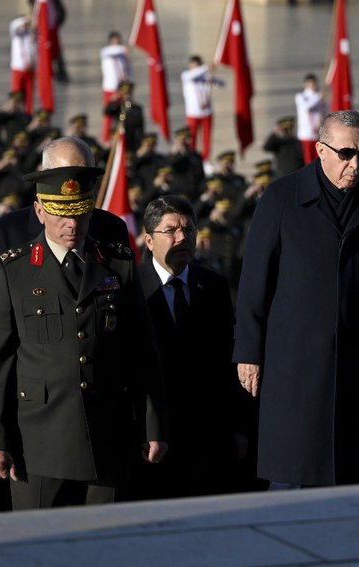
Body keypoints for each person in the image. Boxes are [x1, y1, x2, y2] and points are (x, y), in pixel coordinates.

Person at [0, 163, 168, 509]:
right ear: (39, 210)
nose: (72, 224)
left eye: (80, 213)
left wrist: (152, 426)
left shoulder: (117, 262)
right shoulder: (13, 270)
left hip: (107, 433)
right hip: (37, 441)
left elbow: (142, 349)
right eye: (61, 214)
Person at [234, 110, 359, 488]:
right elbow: (254, 280)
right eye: (347, 153)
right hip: (292, 362)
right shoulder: (282, 197)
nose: (356, 164)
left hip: (353, 359)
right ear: (320, 150)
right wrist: (248, 351)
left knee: (347, 470)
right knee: (293, 470)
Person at [0, 137, 134, 360]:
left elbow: (131, 323)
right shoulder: (8, 233)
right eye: (65, 174)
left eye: (83, 175)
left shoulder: (111, 229)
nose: (73, 182)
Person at [128, 196, 244, 498]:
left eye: (189, 230)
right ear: (148, 239)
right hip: (152, 438)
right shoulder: (129, 288)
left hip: (206, 435)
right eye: (171, 231)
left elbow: (226, 360)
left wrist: (237, 427)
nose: (182, 238)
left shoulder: (214, 286)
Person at [181, 55, 220, 162]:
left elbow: (221, 83)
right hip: (193, 113)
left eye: (198, 65)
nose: (196, 68)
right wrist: (207, 67)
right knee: (192, 138)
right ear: (190, 65)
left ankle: (205, 160)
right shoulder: (186, 75)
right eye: (194, 66)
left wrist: (213, 79)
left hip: (207, 112)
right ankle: (192, 159)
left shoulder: (206, 76)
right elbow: (194, 74)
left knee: (207, 138)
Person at [100, 32, 132, 145]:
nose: (117, 43)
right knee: (109, 114)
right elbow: (114, 50)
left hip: (121, 88)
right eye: (115, 41)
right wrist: (125, 48)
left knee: (123, 112)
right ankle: (106, 138)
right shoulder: (106, 52)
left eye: (118, 40)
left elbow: (126, 69)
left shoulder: (122, 55)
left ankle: (120, 135)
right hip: (110, 88)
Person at [8, 4, 36, 114]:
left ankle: (28, 113)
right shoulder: (16, 34)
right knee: (17, 93)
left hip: (30, 68)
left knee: (29, 95)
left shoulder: (31, 34)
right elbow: (14, 26)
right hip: (18, 67)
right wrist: (26, 20)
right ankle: (15, 112)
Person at [294, 74, 325, 165]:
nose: (312, 85)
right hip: (306, 134)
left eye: (313, 83)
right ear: (305, 84)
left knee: (319, 160)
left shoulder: (319, 96)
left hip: (318, 133)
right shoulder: (301, 97)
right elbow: (307, 106)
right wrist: (319, 97)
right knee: (308, 161)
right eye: (310, 83)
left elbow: (323, 113)